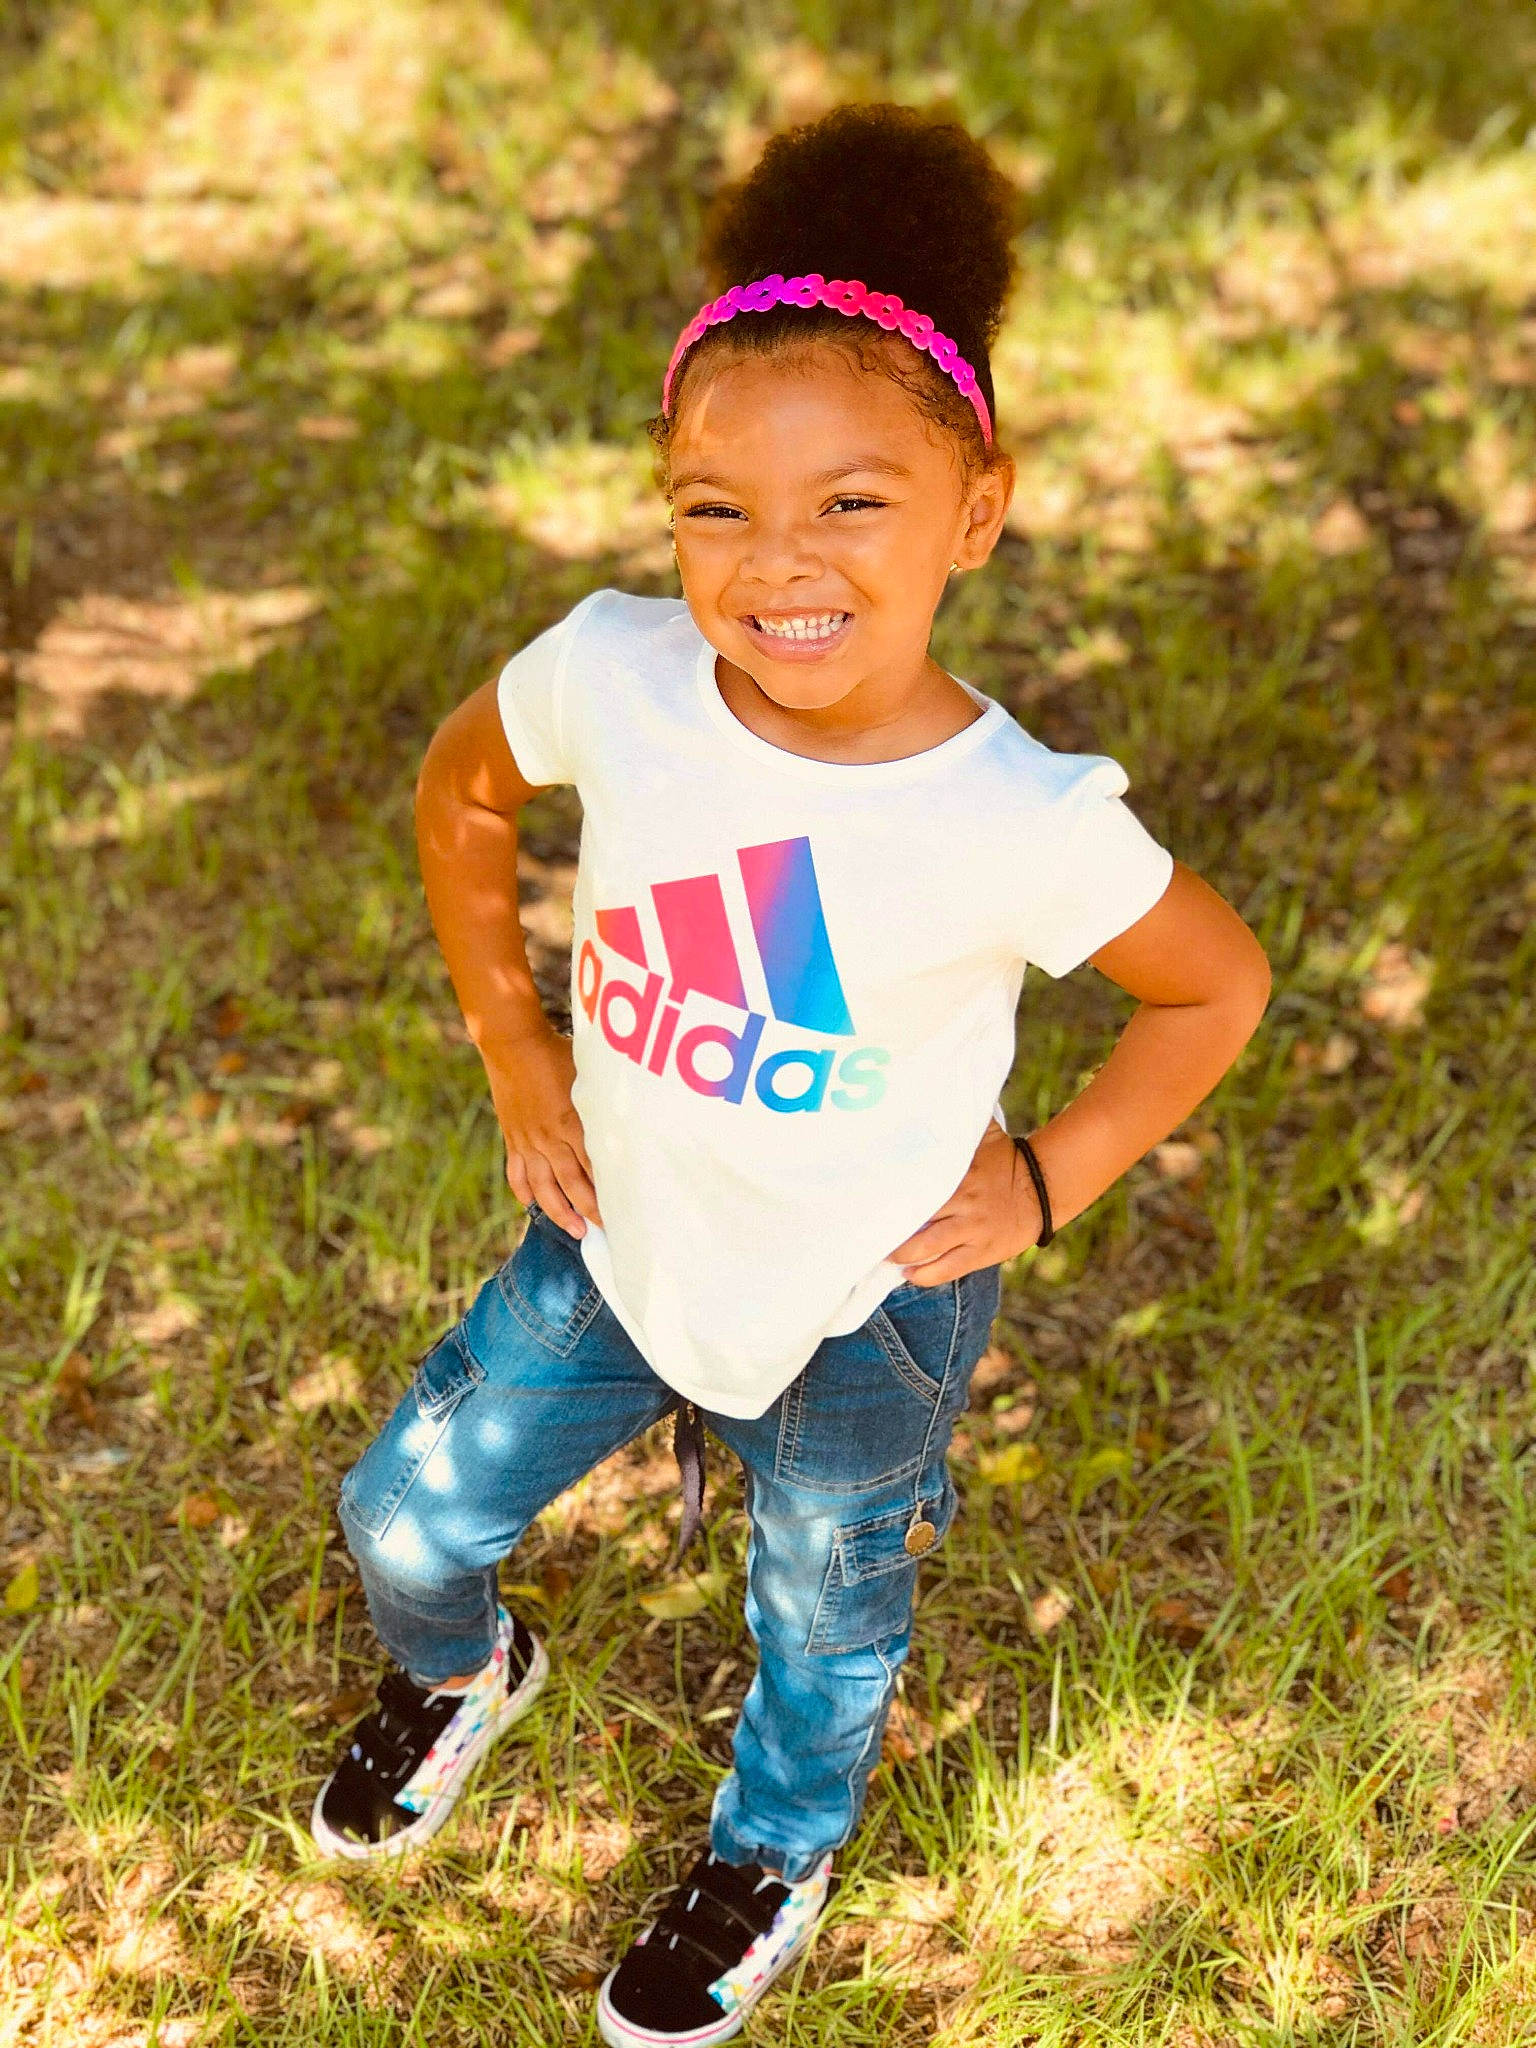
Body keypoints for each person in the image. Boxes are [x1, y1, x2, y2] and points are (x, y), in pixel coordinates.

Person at [308, 104, 1271, 2047]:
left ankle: (773, 1842)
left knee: (823, 1615)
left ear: (974, 511)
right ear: (664, 511)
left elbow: (1215, 986)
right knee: (403, 1513)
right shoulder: (619, 669)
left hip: (869, 1299)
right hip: (620, 1227)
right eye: (716, 507)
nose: (778, 564)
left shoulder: (1021, 816)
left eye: (854, 502)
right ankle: (465, 1667)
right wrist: (516, 1043)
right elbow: (463, 786)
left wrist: (1050, 1178)